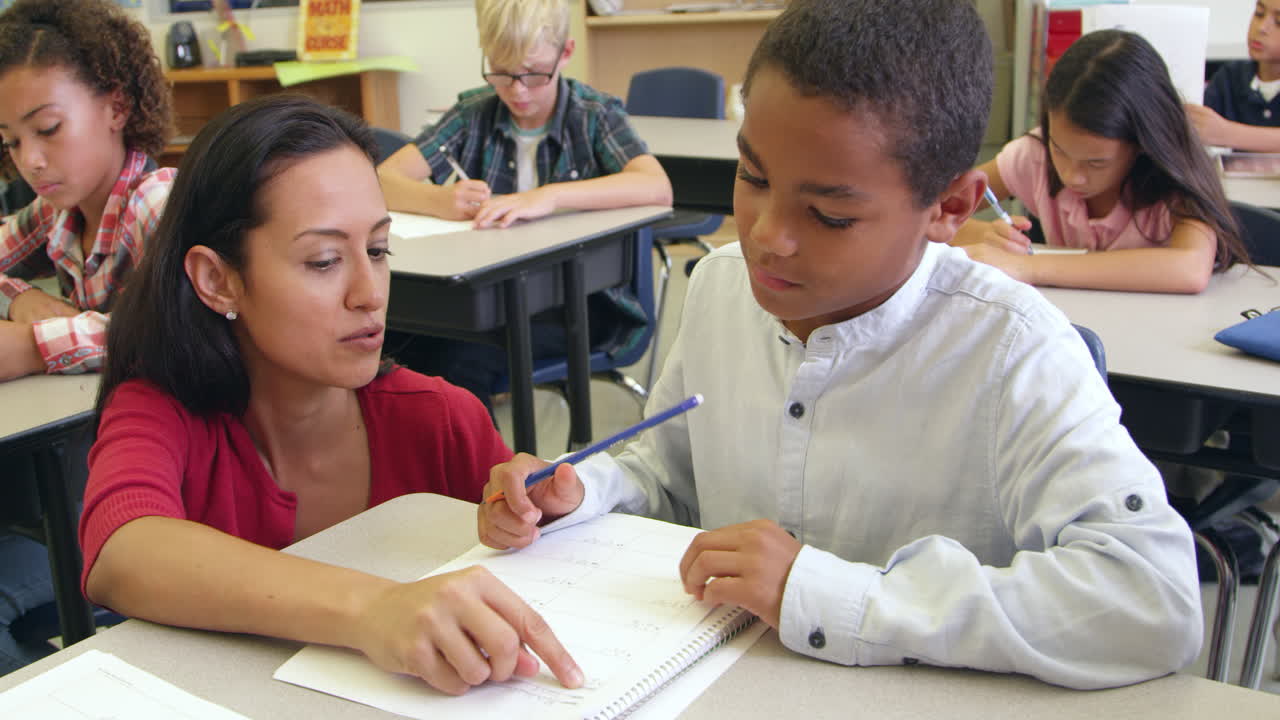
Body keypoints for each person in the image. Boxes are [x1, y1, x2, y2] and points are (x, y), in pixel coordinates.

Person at [479, 0, 1203, 690]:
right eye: (752, 176)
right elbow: (669, 470)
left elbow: (1153, 601)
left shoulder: (1014, 350)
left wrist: (828, 594)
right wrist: (583, 492)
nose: (767, 236)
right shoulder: (721, 288)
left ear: (949, 207)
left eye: (828, 215)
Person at [79, 95, 582, 696]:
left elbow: (541, 571)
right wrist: (375, 609)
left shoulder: (441, 419)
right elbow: (122, 551)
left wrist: (538, 514)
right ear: (218, 280)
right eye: (323, 261)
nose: (369, 293)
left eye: (378, 250)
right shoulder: (162, 411)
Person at [376, 0, 672, 411]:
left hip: (580, 302)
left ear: (565, 53)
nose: (517, 90)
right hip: (491, 293)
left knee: (459, 359)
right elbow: (381, 178)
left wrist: (548, 196)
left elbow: (657, 186)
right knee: (394, 340)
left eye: (533, 74)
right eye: (501, 72)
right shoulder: (474, 112)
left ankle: (478, 453)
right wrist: (438, 199)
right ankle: (417, 450)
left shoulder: (593, 115)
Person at [0, 0, 173, 676]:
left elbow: (163, 324)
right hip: (91, 463)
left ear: (116, 107)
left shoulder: (155, 201)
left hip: (167, 489)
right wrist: (24, 300)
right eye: (11, 141)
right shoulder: (59, 213)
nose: (31, 160)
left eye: (47, 129)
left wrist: (31, 345)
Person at [952, 30, 1248, 293]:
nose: (1072, 176)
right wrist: (982, 233)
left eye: (1096, 163)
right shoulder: (1035, 154)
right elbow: (930, 208)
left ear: (1141, 145)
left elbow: (1190, 268)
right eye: (1059, 150)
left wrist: (1030, 267)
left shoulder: (1173, 178)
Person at [1187, 0, 1280, 152]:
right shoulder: (1229, 77)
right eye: (1259, 13)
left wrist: (1225, 133)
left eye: (1279, 22)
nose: (1261, 28)